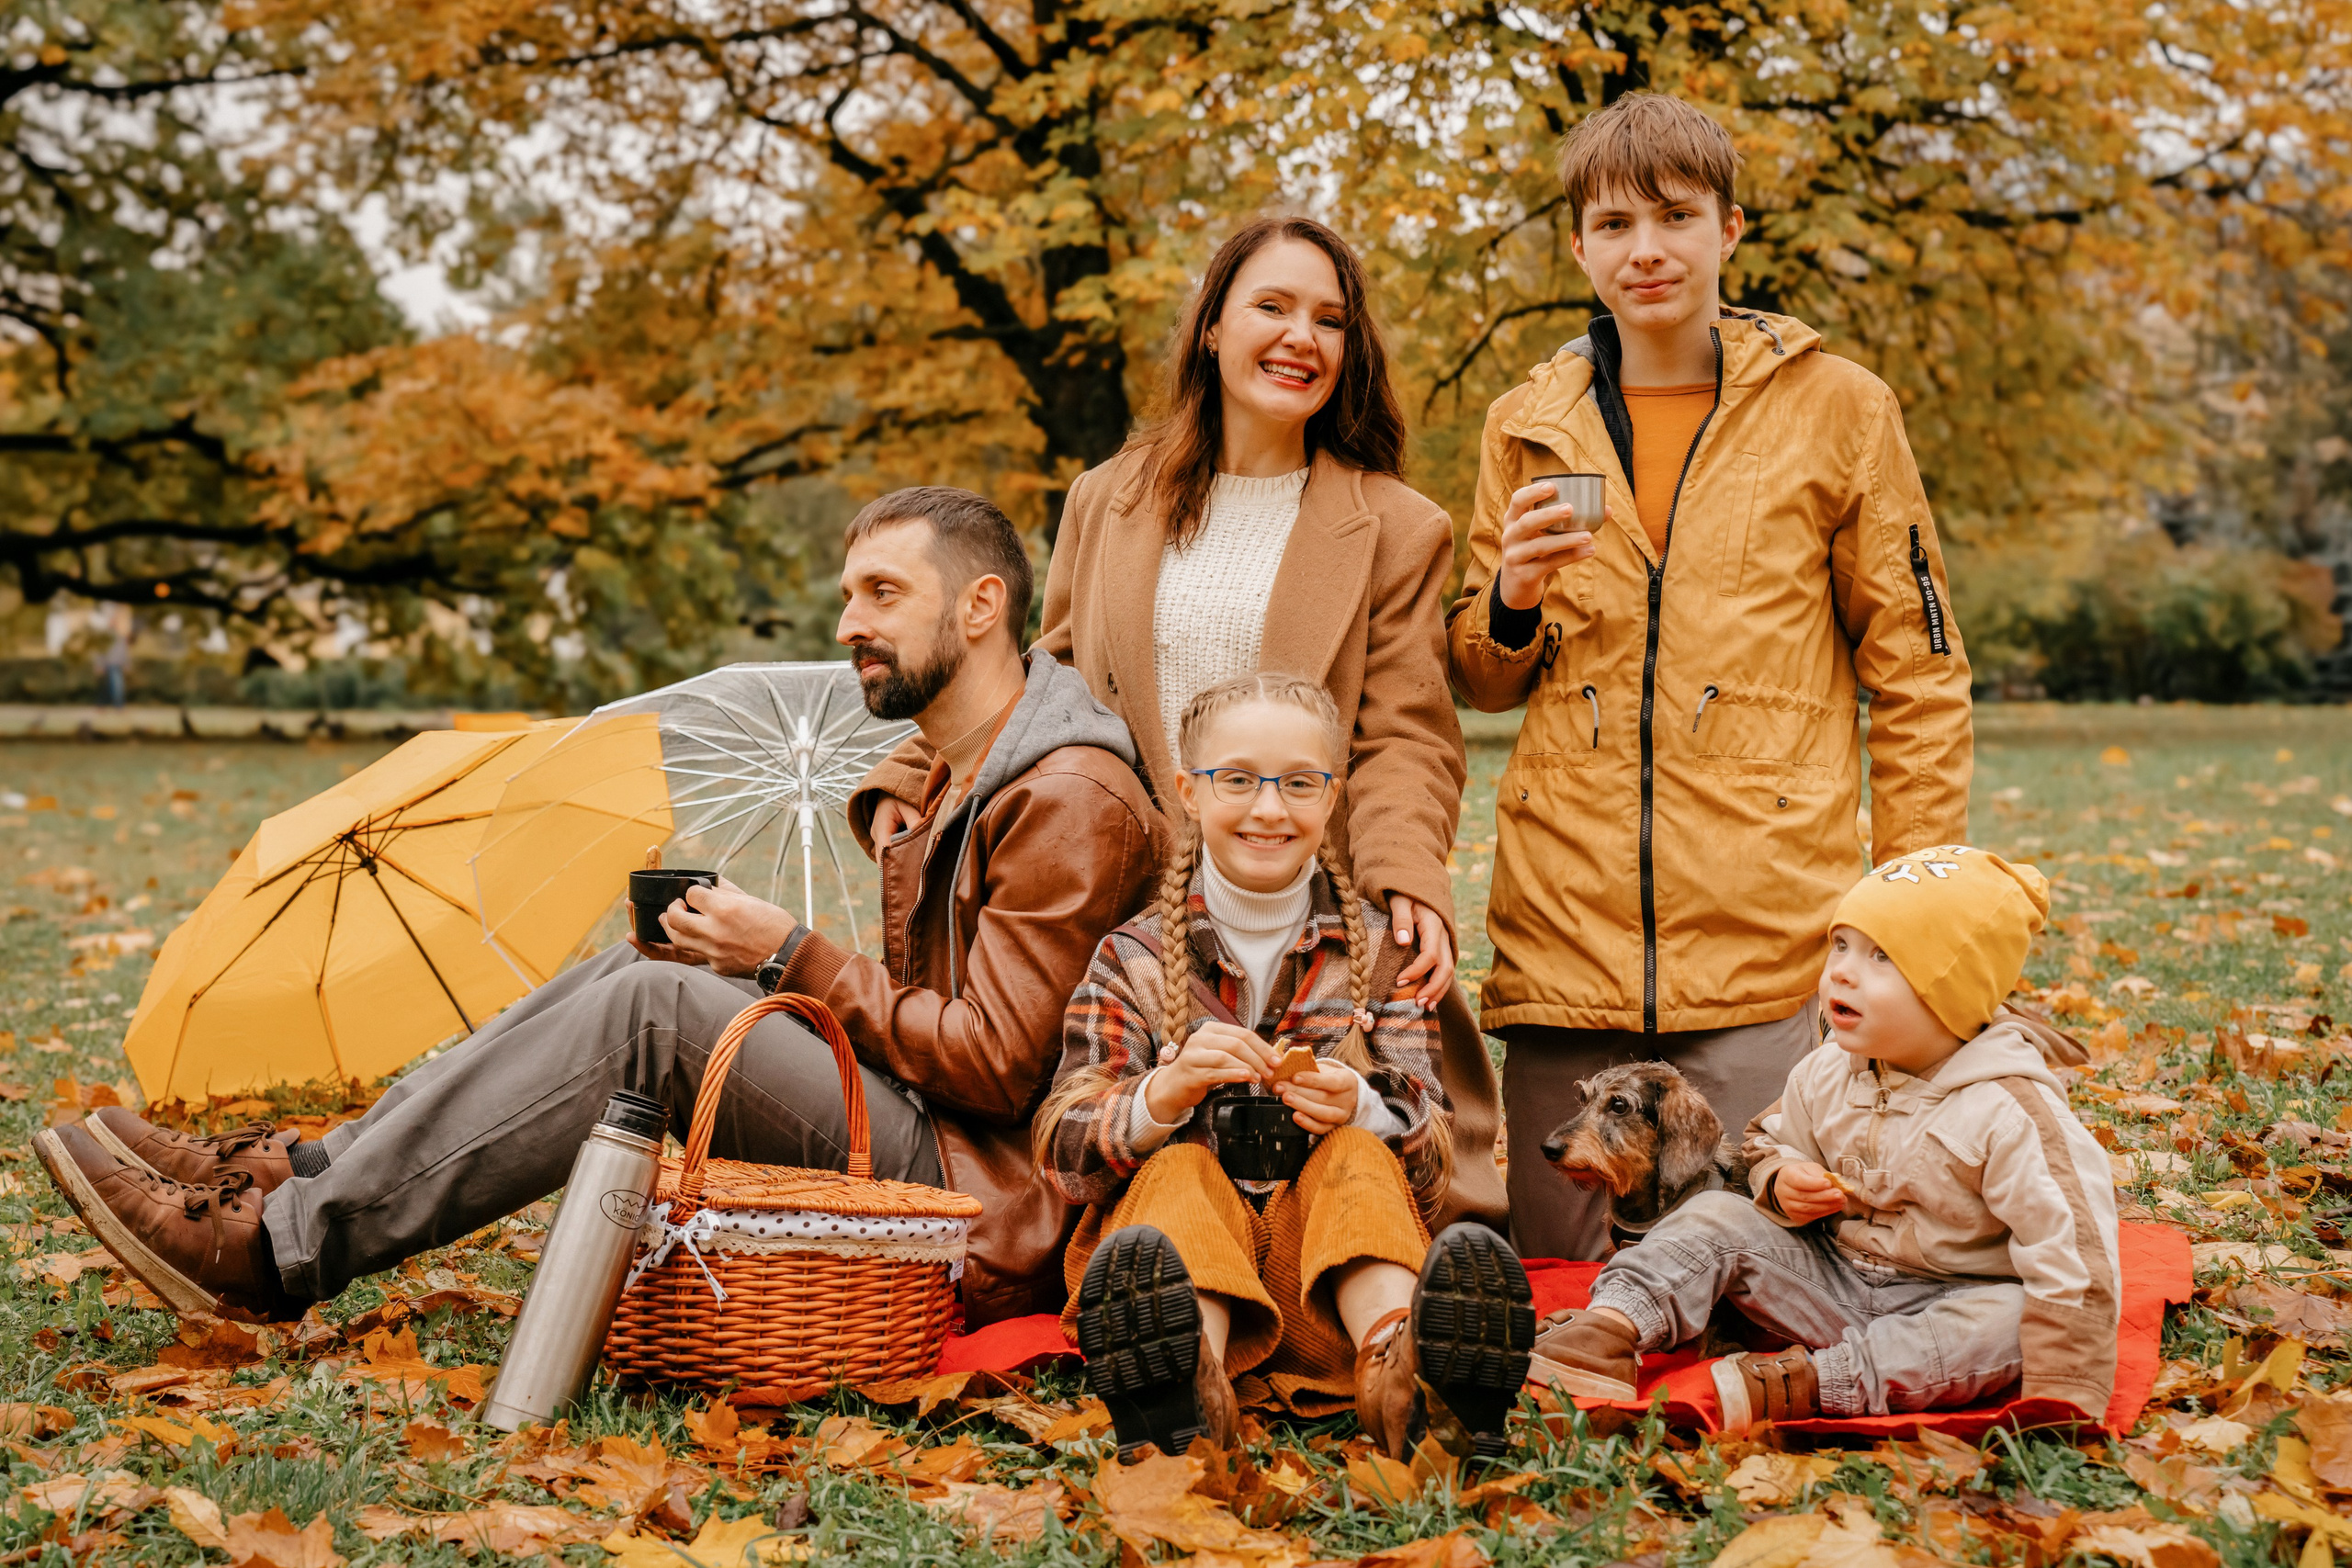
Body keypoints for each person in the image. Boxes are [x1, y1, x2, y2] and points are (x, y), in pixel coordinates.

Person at [36, 487, 1159, 1326]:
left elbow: (1004, 1071)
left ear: (980, 605)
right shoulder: (952, 766)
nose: (845, 625)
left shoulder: (1065, 795)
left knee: (656, 1012)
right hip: (936, 1138)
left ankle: (276, 1253)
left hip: (987, 1202)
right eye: (846, 594)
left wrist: (789, 953)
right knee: (645, 975)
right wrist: (763, 948)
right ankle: (302, 1173)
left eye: (880, 595)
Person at [1445, 93, 1973, 1260]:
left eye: (1675, 217)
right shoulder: (1524, 422)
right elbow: (1481, 681)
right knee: (1565, 1289)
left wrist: (1913, 924)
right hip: (1565, 961)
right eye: (1615, 222)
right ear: (1576, 244)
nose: (1646, 250)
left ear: (1729, 230)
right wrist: (1511, 597)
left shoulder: (1841, 410)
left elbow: (1920, 674)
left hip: (1769, 950)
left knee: (1762, 1264)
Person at [1035, 673, 1533, 1464]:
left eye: (1300, 783)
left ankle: (1405, 1370)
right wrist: (1160, 1096)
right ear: (1187, 792)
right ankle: (1183, 1377)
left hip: (1323, 1293)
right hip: (1182, 1254)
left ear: (1333, 794)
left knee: (1359, 1158)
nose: (1270, 809)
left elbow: (1438, 1164)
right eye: (1237, 780)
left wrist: (1364, 1108)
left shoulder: (1383, 957)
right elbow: (1066, 1156)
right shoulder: (1131, 958)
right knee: (1180, 1172)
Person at [1528, 846, 2120, 1434]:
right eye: (1841, 945)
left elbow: (2075, 1252)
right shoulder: (1826, 1071)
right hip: (1831, 1281)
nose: (1841, 970)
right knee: (1713, 1213)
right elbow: (1766, 1142)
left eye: (1881, 956)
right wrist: (1781, 1180)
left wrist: (2064, 1400)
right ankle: (1607, 1330)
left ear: (1953, 992)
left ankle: (1811, 1383)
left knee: (2017, 1319)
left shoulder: (2010, 1110)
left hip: (1949, 1301)